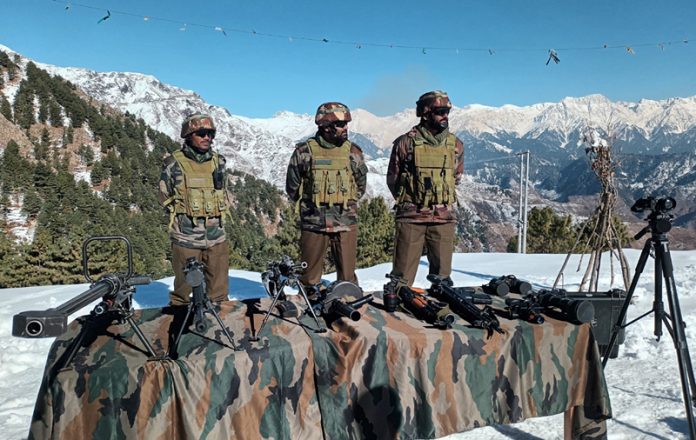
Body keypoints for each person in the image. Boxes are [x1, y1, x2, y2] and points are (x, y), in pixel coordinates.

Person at [285, 102, 368, 293]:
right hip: (314, 224)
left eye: (346, 123)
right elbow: (292, 188)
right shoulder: (304, 152)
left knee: (348, 279)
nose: (346, 128)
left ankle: (347, 311)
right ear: (325, 125)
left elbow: (360, 186)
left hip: (346, 222)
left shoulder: (353, 151)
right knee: (309, 279)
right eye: (340, 124)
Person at [386, 90, 464, 286]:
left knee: (443, 280)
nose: (445, 116)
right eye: (440, 111)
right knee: (401, 279)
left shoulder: (455, 144)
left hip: (443, 219)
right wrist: (412, 199)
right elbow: (393, 179)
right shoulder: (405, 143)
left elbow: (456, 177)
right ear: (426, 113)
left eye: (447, 111)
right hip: (412, 217)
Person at [159, 113, 231, 305]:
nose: (207, 137)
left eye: (210, 133)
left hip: (216, 238)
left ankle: (220, 329)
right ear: (189, 135)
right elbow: (164, 196)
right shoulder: (173, 163)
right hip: (185, 239)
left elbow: (223, 192)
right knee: (182, 293)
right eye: (201, 133)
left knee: (219, 292)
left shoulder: (219, 162)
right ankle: (180, 329)